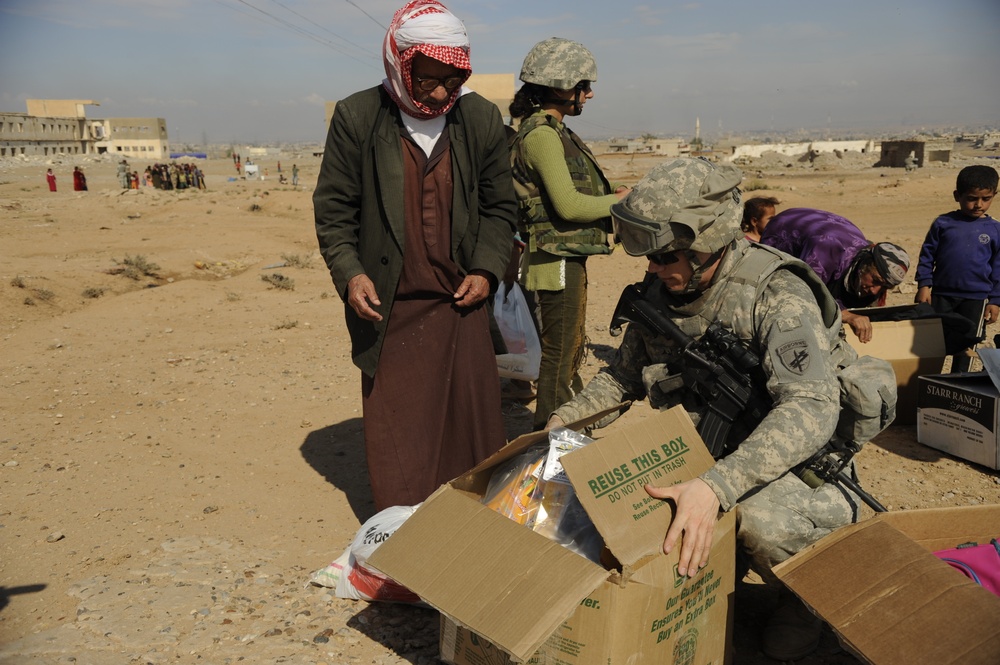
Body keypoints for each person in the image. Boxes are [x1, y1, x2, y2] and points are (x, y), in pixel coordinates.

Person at [547, 158, 885, 660]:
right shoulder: (660, 294)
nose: (652, 269)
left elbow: (812, 406)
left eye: (665, 256)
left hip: (798, 461)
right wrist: (560, 424)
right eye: (649, 256)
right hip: (712, 449)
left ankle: (806, 600)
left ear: (706, 241)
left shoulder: (776, 293)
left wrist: (716, 487)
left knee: (762, 524)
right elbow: (621, 377)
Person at [313, 0, 517, 512]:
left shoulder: (478, 116)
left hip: (460, 302)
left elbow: (500, 207)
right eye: (428, 79)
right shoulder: (359, 116)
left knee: (470, 430)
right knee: (401, 432)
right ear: (400, 64)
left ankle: (470, 531)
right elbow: (334, 210)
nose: (442, 91)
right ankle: (407, 542)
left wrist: (487, 269)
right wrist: (351, 273)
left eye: (453, 79)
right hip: (392, 306)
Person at [508, 37, 629, 430]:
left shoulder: (553, 130)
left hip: (562, 256)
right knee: (560, 355)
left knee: (568, 349)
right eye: (583, 86)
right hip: (554, 259)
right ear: (560, 86)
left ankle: (565, 428)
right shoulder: (542, 135)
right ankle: (548, 442)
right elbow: (569, 206)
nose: (588, 94)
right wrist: (620, 203)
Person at [759, 207, 910, 343]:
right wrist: (846, 314)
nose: (875, 290)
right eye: (875, 280)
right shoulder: (826, 249)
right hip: (784, 229)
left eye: (884, 287)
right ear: (864, 265)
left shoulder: (863, 265)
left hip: (827, 232)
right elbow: (807, 290)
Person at [915, 165, 1000, 372]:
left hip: (976, 299)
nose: (978, 205)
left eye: (986, 199)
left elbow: (998, 267)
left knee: (967, 345)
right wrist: (924, 285)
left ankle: (959, 385)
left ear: (994, 196)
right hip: (942, 295)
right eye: (972, 198)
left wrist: (996, 300)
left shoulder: (995, 229)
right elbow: (927, 256)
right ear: (957, 195)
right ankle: (929, 383)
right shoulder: (943, 223)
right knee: (934, 342)